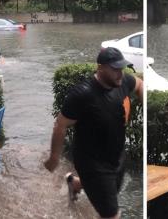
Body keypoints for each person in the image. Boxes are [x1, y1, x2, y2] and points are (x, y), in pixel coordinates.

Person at [44, 47, 143, 219]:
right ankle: (83, 184)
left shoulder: (122, 82)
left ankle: (74, 183)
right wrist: (54, 158)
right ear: (101, 68)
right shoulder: (82, 94)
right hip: (92, 162)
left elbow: (140, 84)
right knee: (111, 214)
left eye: (121, 68)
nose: (120, 73)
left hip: (116, 156)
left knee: (109, 192)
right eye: (115, 69)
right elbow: (60, 125)